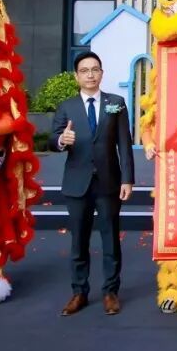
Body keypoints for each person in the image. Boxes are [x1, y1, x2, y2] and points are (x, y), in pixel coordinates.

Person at [51, 51, 134, 317]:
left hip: (109, 182)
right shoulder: (67, 107)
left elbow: (124, 144)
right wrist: (62, 140)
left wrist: (127, 179)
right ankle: (79, 292)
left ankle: (111, 292)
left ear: (101, 73)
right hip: (77, 184)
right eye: (85, 70)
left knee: (111, 239)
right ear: (76, 76)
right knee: (79, 241)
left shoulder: (116, 103)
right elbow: (53, 139)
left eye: (95, 69)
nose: (90, 74)